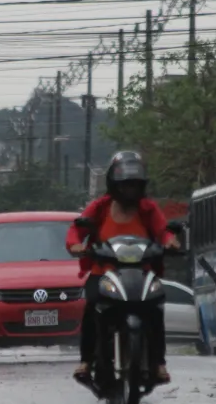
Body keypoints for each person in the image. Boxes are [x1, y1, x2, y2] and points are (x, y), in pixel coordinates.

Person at [66, 151, 180, 384]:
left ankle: (159, 363)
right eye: (125, 185)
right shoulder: (99, 207)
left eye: (134, 185)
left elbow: (164, 230)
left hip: (142, 274)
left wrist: (170, 241)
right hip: (103, 274)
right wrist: (77, 244)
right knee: (92, 308)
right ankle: (86, 361)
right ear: (114, 185)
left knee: (155, 310)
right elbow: (76, 230)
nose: (130, 190)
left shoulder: (148, 209)